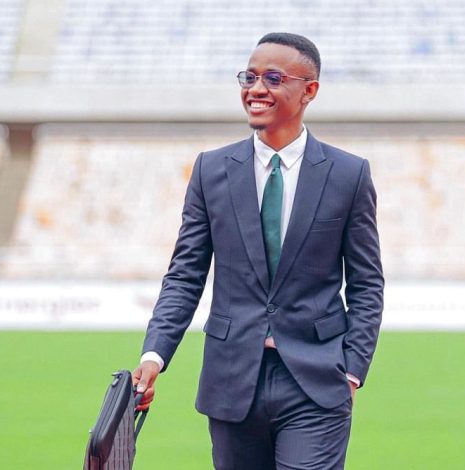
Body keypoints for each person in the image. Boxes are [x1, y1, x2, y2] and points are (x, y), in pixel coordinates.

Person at [133, 32, 384, 469]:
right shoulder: (210, 170)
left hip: (317, 382)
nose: (256, 89)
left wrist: (352, 369)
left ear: (310, 90)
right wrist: (154, 354)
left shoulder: (349, 175)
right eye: (249, 77)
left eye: (273, 78)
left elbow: (366, 283)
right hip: (231, 381)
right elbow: (185, 275)